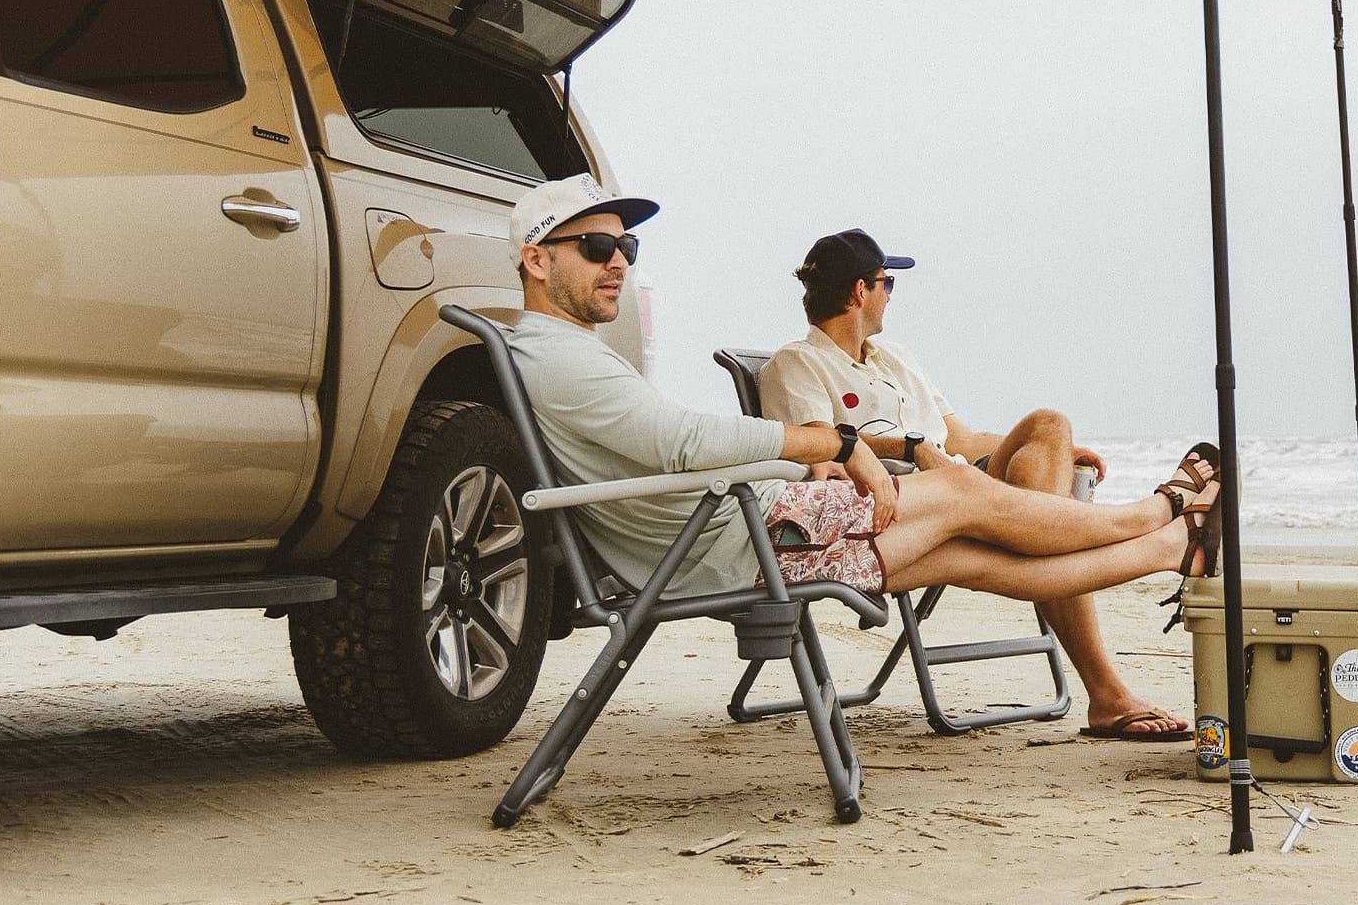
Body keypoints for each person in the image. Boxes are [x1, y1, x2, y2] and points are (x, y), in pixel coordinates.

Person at [503, 175, 1221, 642]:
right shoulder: (559, 357)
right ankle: (1157, 513)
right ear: (537, 260)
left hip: (743, 528)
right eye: (597, 245)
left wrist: (832, 449)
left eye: (625, 244)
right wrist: (838, 443)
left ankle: (1169, 547)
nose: (620, 261)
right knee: (967, 493)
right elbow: (678, 440)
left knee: (971, 551)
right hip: (735, 544)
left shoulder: (567, 350)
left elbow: (669, 445)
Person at [758, 229, 1202, 741]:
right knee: (1039, 495)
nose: (890, 294)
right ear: (861, 291)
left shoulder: (894, 358)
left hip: (963, 487)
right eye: (888, 283)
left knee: (1049, 425)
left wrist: (1048, 451)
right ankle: (1110, 677)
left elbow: (962, 441)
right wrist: (911, 446)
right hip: (906, 510)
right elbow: (821, 448)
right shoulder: (796, 363)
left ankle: (1085, 536)